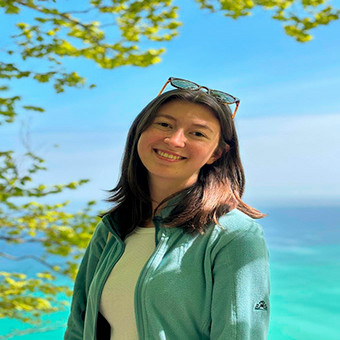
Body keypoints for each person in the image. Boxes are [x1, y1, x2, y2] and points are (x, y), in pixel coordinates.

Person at [64, 77, 271, 340]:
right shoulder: (112, 229)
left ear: (216, 153)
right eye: (164, 124)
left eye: (197, 133)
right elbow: (78, 326)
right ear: (140, 130)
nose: (174, 140)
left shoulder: (233, 234)